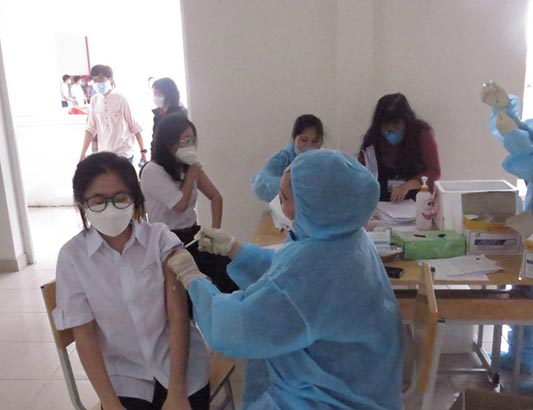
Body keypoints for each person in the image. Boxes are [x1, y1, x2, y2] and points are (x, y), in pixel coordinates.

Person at [169, 149, 404, 409]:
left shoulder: (314, 267)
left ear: (315, 205)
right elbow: (285, 273)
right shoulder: (347, 238)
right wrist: (235, 249)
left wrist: (193, 279)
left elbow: (237, 326)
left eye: (285, 197)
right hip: (364, 385)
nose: (278, 201)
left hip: (325, 400)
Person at [53, 152, 210, 410]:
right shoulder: (73, 258)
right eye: (98, 201)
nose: (111, 208)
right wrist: (110, 403)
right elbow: (85, 337)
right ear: (82, 203)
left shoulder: (159, 239)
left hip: (179, 365)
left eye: (120, 198)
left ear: (135, 199)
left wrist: (177, 392)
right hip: (124, 377)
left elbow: (179, 317)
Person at [140, 115, 237, 293]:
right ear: (169, 143)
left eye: (192, 140)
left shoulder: (187, 166)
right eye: (185, 140)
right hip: (166, 238)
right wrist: (191, 176)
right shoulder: (152, 171)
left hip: (191, 233)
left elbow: (216, 197)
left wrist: (215, 232)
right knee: (187, 283)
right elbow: (180, 205)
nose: (190, 146)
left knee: (228, 271)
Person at [358, 93, 441, 202]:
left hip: (416, 200)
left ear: (407, 122)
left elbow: (434, 171)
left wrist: (407, 186)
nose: (391, 131)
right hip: (382, 202)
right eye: (386, 127)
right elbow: (361, 172)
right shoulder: (373, 138)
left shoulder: (421, 134)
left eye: (396, 126)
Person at [79, 65, 148, 165]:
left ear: (110, 79)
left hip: (123, 153)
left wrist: (143, 152)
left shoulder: (121, 99)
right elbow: (90, 129)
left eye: (101, 79)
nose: (98, 83)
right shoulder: (94, 100)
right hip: (104, 153)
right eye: (95, 80)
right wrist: (82, 154)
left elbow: (134, 127)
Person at [251, 114, 324, 202]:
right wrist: (290, 186)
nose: (309, 145)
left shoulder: (326, 160)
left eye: (315, 141)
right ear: (294, 138)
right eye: (304, 140)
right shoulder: (283, 157)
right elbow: (261, 185)